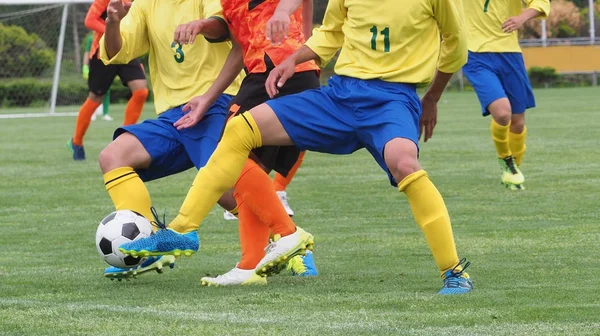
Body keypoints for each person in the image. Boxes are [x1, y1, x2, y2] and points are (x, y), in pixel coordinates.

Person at [121, 0, 473, 294]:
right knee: (240, 130)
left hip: (392, 100)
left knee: (404, 163)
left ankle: (454, 272)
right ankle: (183, 231)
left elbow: (455, 46)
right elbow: (331, 32)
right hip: (340, 95)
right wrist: (293, 59)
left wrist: (432, 98)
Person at [171, 0, 320, 286]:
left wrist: (284, 15)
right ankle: (251, 265)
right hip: (265, 76)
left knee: (230, 159)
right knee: (244, 172)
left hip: (284, 73)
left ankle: (286, 234)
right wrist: (207, 98)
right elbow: (241, 48)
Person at [97, 0, 244, 279]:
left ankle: (286, 238)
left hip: (214, 102)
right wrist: (112, 22)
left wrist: (200, 25)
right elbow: (117, 51)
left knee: (223, 188)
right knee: (113, 157)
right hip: (173, 117)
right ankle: (149, 246)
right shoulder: (145, 4)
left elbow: (224, 28)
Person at [462, 0, 550, 190]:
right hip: (475, 53)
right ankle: (506, 160)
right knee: (502, 114)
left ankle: (512, 172)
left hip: (510, 53)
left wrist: (521, 18)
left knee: (518, 123)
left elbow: (541, 2)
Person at [68, 0, 148, 161]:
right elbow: (89, 20)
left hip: (127, 48)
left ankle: (123, 141)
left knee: (141, 91)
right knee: (96, 97)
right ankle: (76, 142)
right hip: (103, 51)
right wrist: (112, 31)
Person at [82, 31, 113, 122]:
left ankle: (105, 113)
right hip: (94, 66)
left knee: (107, 90)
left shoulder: (108, 36)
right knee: (93, 90)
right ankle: (92, 113)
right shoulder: (91, 38)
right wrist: (85, 66)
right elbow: (87, 52)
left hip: (106, 65)